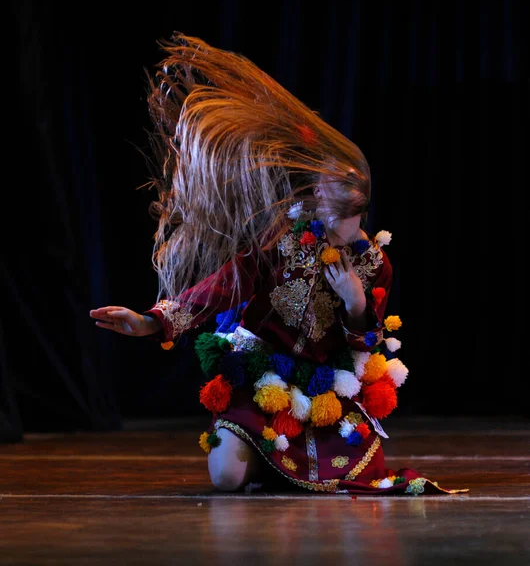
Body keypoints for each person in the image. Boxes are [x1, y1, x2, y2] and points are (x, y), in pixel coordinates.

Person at [90, 32, 468, 496]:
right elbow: (218, 289)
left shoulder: (374, 264)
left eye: (339, 212)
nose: (324, 214)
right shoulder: (278, 244)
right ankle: (262, 458)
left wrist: (354, 303)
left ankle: (278, 464)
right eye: (321, 203)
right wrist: (151, 323)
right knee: (226, 478)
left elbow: (368, 341)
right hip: (262, 372)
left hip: (328, 384)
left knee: (351, 475)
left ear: (357, 211)